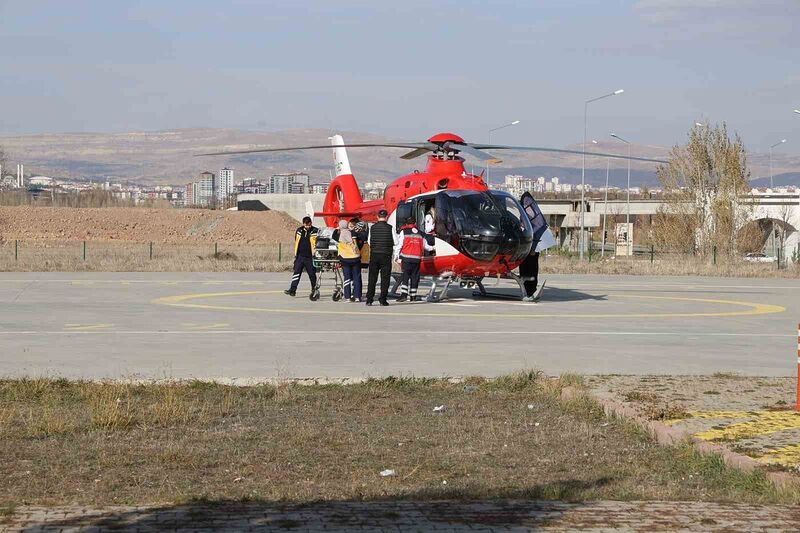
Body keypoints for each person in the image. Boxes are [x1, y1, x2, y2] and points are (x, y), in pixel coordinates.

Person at [365, 209, 395, 306]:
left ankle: (369, 299)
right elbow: (397, 242)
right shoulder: (390, 228)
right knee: (385, 278)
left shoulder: (372, 228)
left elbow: (369, 241)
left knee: (372, 278)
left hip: (374, 255)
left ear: (377, 217)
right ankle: (383, 299)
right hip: (386, 254)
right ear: (386, 217)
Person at [284, 216, 318, 297]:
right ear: (303, 224)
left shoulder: (315, 231)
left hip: (310, 257)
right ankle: (292, 290)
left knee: (312, 274)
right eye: (306, 225)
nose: (308, 226)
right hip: (300, 256)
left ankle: (314, 289)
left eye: (309, 225)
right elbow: (296, 241)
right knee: (296, 273)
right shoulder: (299, 230)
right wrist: (296, 255)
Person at [394, 215, 425, 302]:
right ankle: (413, 296)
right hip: (417, 259)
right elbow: (425, 246)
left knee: (405, 276)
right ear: (415, 223)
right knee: (415, 277)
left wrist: (396, 255)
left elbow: (399, 245)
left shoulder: (404, 232)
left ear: (407, 223)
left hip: (406, 258)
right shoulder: (420, 233)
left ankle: (404, 295)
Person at [333, 218, 363, 302]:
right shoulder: (353, 233)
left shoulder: (339, 235)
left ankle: (347, 297)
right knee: (356, 278)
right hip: (355, 258)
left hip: (345, 259)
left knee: (347, 278)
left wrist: (337, 229)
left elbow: (333, 236)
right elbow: (360, 242)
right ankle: (357, 297)